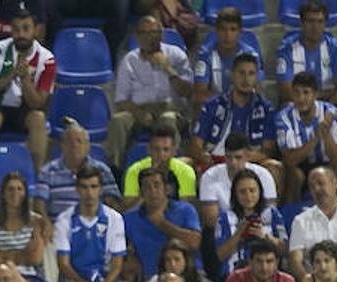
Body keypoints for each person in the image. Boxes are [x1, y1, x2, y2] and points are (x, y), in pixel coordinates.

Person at [0, 5, 54, 167]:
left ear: (36, 30)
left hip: (25, 111)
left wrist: (24, 79)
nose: (21, 34)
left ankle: (37, 179)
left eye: (26, 29)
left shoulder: (47, 60)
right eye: (16, 29)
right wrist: (9, 76)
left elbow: (38, 103)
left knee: (38, 118)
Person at [276, 1, 337, 156]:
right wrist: (320, 95)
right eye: (310, 21)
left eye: (319, 21)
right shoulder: (287, 49)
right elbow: (286, 92)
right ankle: (290, 162)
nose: (315, 26)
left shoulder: (336, 48)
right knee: (285, 106)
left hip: (328, 104)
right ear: (302, 23)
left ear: (325, 24)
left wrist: (313, 99)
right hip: (297, 104)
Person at [108, 15, 191, 170]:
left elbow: (188, 92)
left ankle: (170, 168)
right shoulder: (129, 60)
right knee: (118, 120)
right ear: (137, 37)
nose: (149, 38)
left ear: (161, 34)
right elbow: (121, 100)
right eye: (144, 34)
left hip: (171, 109)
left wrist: (168, 69)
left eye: (153, 33)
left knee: (168, 119)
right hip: (139, 111)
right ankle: (115, 170)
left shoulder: (176, 55)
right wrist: (139, 113)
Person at [191, 53, 281, 191]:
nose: (246, 79)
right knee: (186, 165)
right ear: (232, 75)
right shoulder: (213, 105)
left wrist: (244, 159)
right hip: (215, 160)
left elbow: (268, 150)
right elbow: (196, 145)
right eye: (241, 73)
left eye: (251, 73)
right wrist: (204, 157)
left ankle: (270, 212)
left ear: (257, 77)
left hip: (249, 162)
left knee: (275, 167)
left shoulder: (265, 108)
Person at [54, 166, 129, 282]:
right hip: (77, 281)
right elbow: (64, 264)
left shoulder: (114, 218)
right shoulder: (64, 219)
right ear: (77, 189)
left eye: (93, 187)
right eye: (84, 187)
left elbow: (117, 263)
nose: (89, 193)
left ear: (100, 189)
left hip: (107, 280)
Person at [124, 167, 200, 282]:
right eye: (146, 187)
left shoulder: (186, 210)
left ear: (167, 188)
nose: (152, 191)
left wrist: (162, 224)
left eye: (157, 185)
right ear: (140, 192)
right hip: (151, 276)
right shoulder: (129, 219)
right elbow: (125, 249)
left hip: (187, 275)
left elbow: (194, 242)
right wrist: (131, 257)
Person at [276, 72, 337, 203]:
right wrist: (315, 138)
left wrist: (326, 135)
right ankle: (291, 214)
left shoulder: (334, 114)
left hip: (326, 164)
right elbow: (289, 160)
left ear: (315, 94)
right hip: (299, 165)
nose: (301, 98)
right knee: (295, 174)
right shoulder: (283, 117)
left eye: (306, 92)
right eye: (296, 93)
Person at [33, 122, 120, 221]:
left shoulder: (102, 170)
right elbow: (39, 204)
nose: (74, 145)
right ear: (62, 145)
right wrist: (46, 225)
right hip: (57, 230)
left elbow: (113, 204)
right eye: (69, 141)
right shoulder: (48, 171)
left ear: (88, 146)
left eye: (79, 141)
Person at [0, 171, 49, 282]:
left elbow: (35, 259)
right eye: (10, 189)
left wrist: (4, 257)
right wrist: (22, 255)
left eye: (19, 189)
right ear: (3, 194)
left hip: (31, 277)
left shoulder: (36, 221)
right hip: (0, 277)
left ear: (25, 193)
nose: (15, 193)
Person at [198, 133, 279, 232]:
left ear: (248, 155)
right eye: (228, 157)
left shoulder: (263, 175)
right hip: (223, 232)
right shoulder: (210, 177)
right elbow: (211, 220)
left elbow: (269, 216)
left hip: (258, 230)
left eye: (238, 157)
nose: (233, 163)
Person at [214, 168, 288, 273]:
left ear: (259, 191)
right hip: (234, 275)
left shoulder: (273, 214)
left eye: (252, 190)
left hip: (268, 274)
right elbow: (221, 256)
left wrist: (265, 236)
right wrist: (238, 233)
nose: (248, 196)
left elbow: (285, 250)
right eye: (242, 192)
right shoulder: (225, 217)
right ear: (235, 194)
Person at [193, 6, 256, 106]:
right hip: (214, 111)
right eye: (223, 29)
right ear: (216, 31)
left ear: (240, 32)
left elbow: (255, 91)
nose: (227, 35)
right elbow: (200, 95)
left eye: (233, 29)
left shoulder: (250, 55)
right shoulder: (205, 55)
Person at [123, 123, 196, 206]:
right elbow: (128, 211)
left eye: (166, 149)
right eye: (156, 149)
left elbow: (186, 211)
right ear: (149, 149)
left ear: (174, 151)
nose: (160, 154)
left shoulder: (185, 172)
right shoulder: (134, 171)